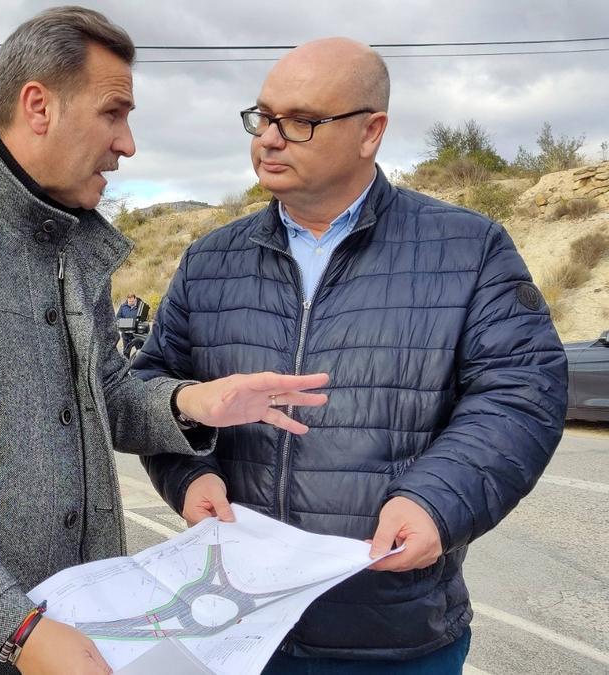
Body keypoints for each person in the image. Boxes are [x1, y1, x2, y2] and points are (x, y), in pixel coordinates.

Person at [0, 7, 331, 675]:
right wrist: (14, 627)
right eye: (114, 113)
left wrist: (196, 403)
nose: (128, 145)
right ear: (38, 106)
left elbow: (104, 393)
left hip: (91, 635)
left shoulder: (73, 242)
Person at [134, 37, 567, 673]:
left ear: (371, 133)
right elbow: (155, 385)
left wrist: (435, 503)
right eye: (263, 117)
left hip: (390, 631)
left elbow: (521, 394)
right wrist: (188, 477)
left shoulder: (469, 249)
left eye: (301, 121)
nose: (270, 139)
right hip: (231, 620)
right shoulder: (210, 260)